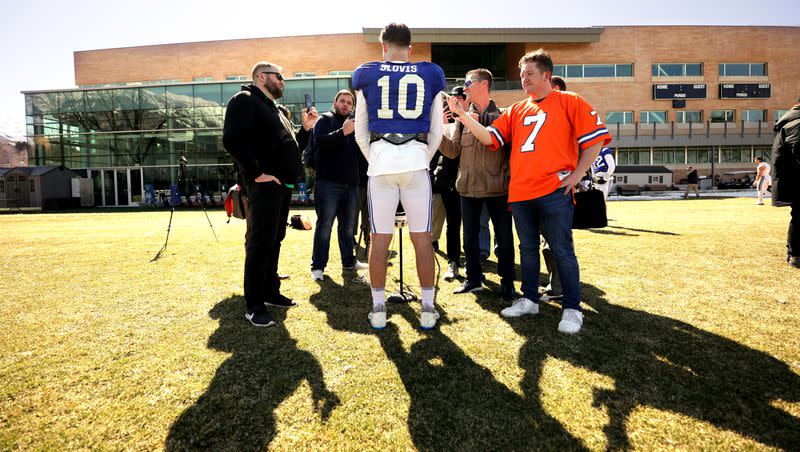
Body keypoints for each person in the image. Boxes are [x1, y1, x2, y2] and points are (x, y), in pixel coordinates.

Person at [448, 49, 612, 334]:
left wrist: (576, 174)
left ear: (547, 75)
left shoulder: (570, 101)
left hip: (554, 190)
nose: (524, 80)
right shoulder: (516, 110)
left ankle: (572, 308)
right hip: (521, 193)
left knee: (562, 250)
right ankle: (530, 299)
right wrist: (462, 115)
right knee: (527, 249)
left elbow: (596, 140)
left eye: (530, 74)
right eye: (522, 74)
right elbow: (489, 138)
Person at [353, 23, 446, 330]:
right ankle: (428, 309)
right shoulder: (430, 73)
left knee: (378, 239)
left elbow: (361, 132)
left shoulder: (366, 73)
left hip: (381, 163)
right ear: (410, 47)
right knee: (422, 238)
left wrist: (378, 158)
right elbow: (437, 130)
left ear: (383, 47)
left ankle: (378, 310)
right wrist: (421, 158)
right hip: (416, 162)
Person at [223, 61, 317, 327]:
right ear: (261, 77)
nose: (283, 82)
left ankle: (269, 292)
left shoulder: (276, 111)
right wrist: (255, 173)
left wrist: (306, 129)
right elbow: (232, 140)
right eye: (279, 77)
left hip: (283, 186)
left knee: (275, 239)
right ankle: (254, 306)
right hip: (263, 185)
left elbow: (292, 148)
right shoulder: (244, 100)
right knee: (260, 243)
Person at [439, 68, 516, 301]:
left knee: (504, 238)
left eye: (469, 82)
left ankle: (508, 283)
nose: (465, 87)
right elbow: (453, 151)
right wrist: (435, 134)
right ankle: (473, 280)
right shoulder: (461, 120)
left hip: (498, 188)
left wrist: (463, 115)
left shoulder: (503, 115)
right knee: (469, 237)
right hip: (468, 187)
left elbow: (496, 133)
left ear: (484, 84)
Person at [309, 90, 368, 280]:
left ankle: (348, 261)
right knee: (325, 225)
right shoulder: (325, 120)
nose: (345, 105)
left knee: (348, 227)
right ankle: (318, 267)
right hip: (328, 183)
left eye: (349, 102)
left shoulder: (355, 124)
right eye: (342, 101)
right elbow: (321, 142)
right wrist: (343, 132)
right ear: (335, 102)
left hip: (351, 184)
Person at [770, 99, 800, 268]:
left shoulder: (788, 124)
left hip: (791, 181)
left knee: (797, 216)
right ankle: (795, 255)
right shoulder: (796, 125)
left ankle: (793, 254)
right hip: (796, 180)